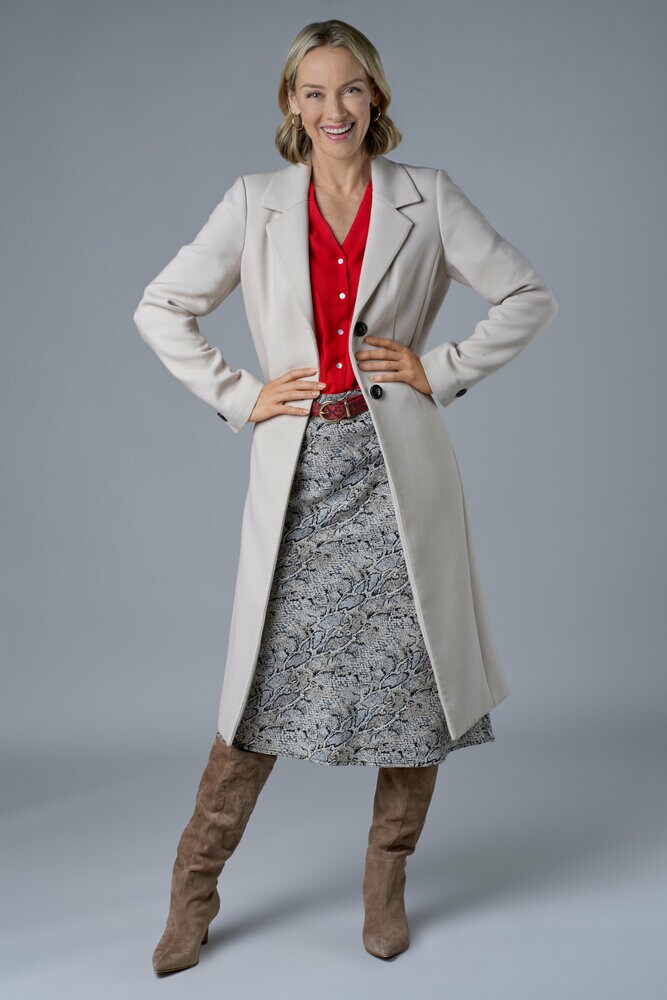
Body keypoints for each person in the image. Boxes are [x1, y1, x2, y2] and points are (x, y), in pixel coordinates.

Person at [133, 18, 558, 975]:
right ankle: (192, 893)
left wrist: (441, 367)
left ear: (376, 97)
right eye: (316, 92)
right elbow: (161, 306)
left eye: (352, 89)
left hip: (397, 473)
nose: (335, 109)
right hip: (300, 476)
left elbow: (526, 295)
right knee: (258, 691)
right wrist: (241, 394)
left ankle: (385, 881)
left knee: (416, 681)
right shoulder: (254, 203)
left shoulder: (426, 195)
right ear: (292, 103)